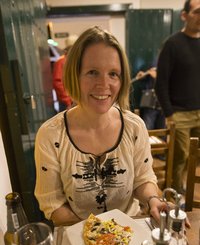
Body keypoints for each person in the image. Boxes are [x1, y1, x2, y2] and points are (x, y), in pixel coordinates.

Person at [34, 26, 170, 227]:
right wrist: (97, 234)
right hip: (77, 236)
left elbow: (142, 179)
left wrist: (153, 200)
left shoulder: (134, 127)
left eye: (113, 74)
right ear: (74, 75)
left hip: (130, 231)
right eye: (92, 72)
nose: (104, 84)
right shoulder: (50, 135)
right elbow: (53, 204)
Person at [155, 0, 200, 194]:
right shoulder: (172, 44)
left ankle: (188, 191)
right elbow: (160, 83)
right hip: (179, 113)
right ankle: (173, 193)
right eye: (197, 12)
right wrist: (169, 114)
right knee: (179, 157)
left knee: (195, 157)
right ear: (184, 15)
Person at [52, 35, 78, 112]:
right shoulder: (61, 62)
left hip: (76, 100)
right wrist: (67, 101)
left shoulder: (76, 61)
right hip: (67, 103)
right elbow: (57, 83)